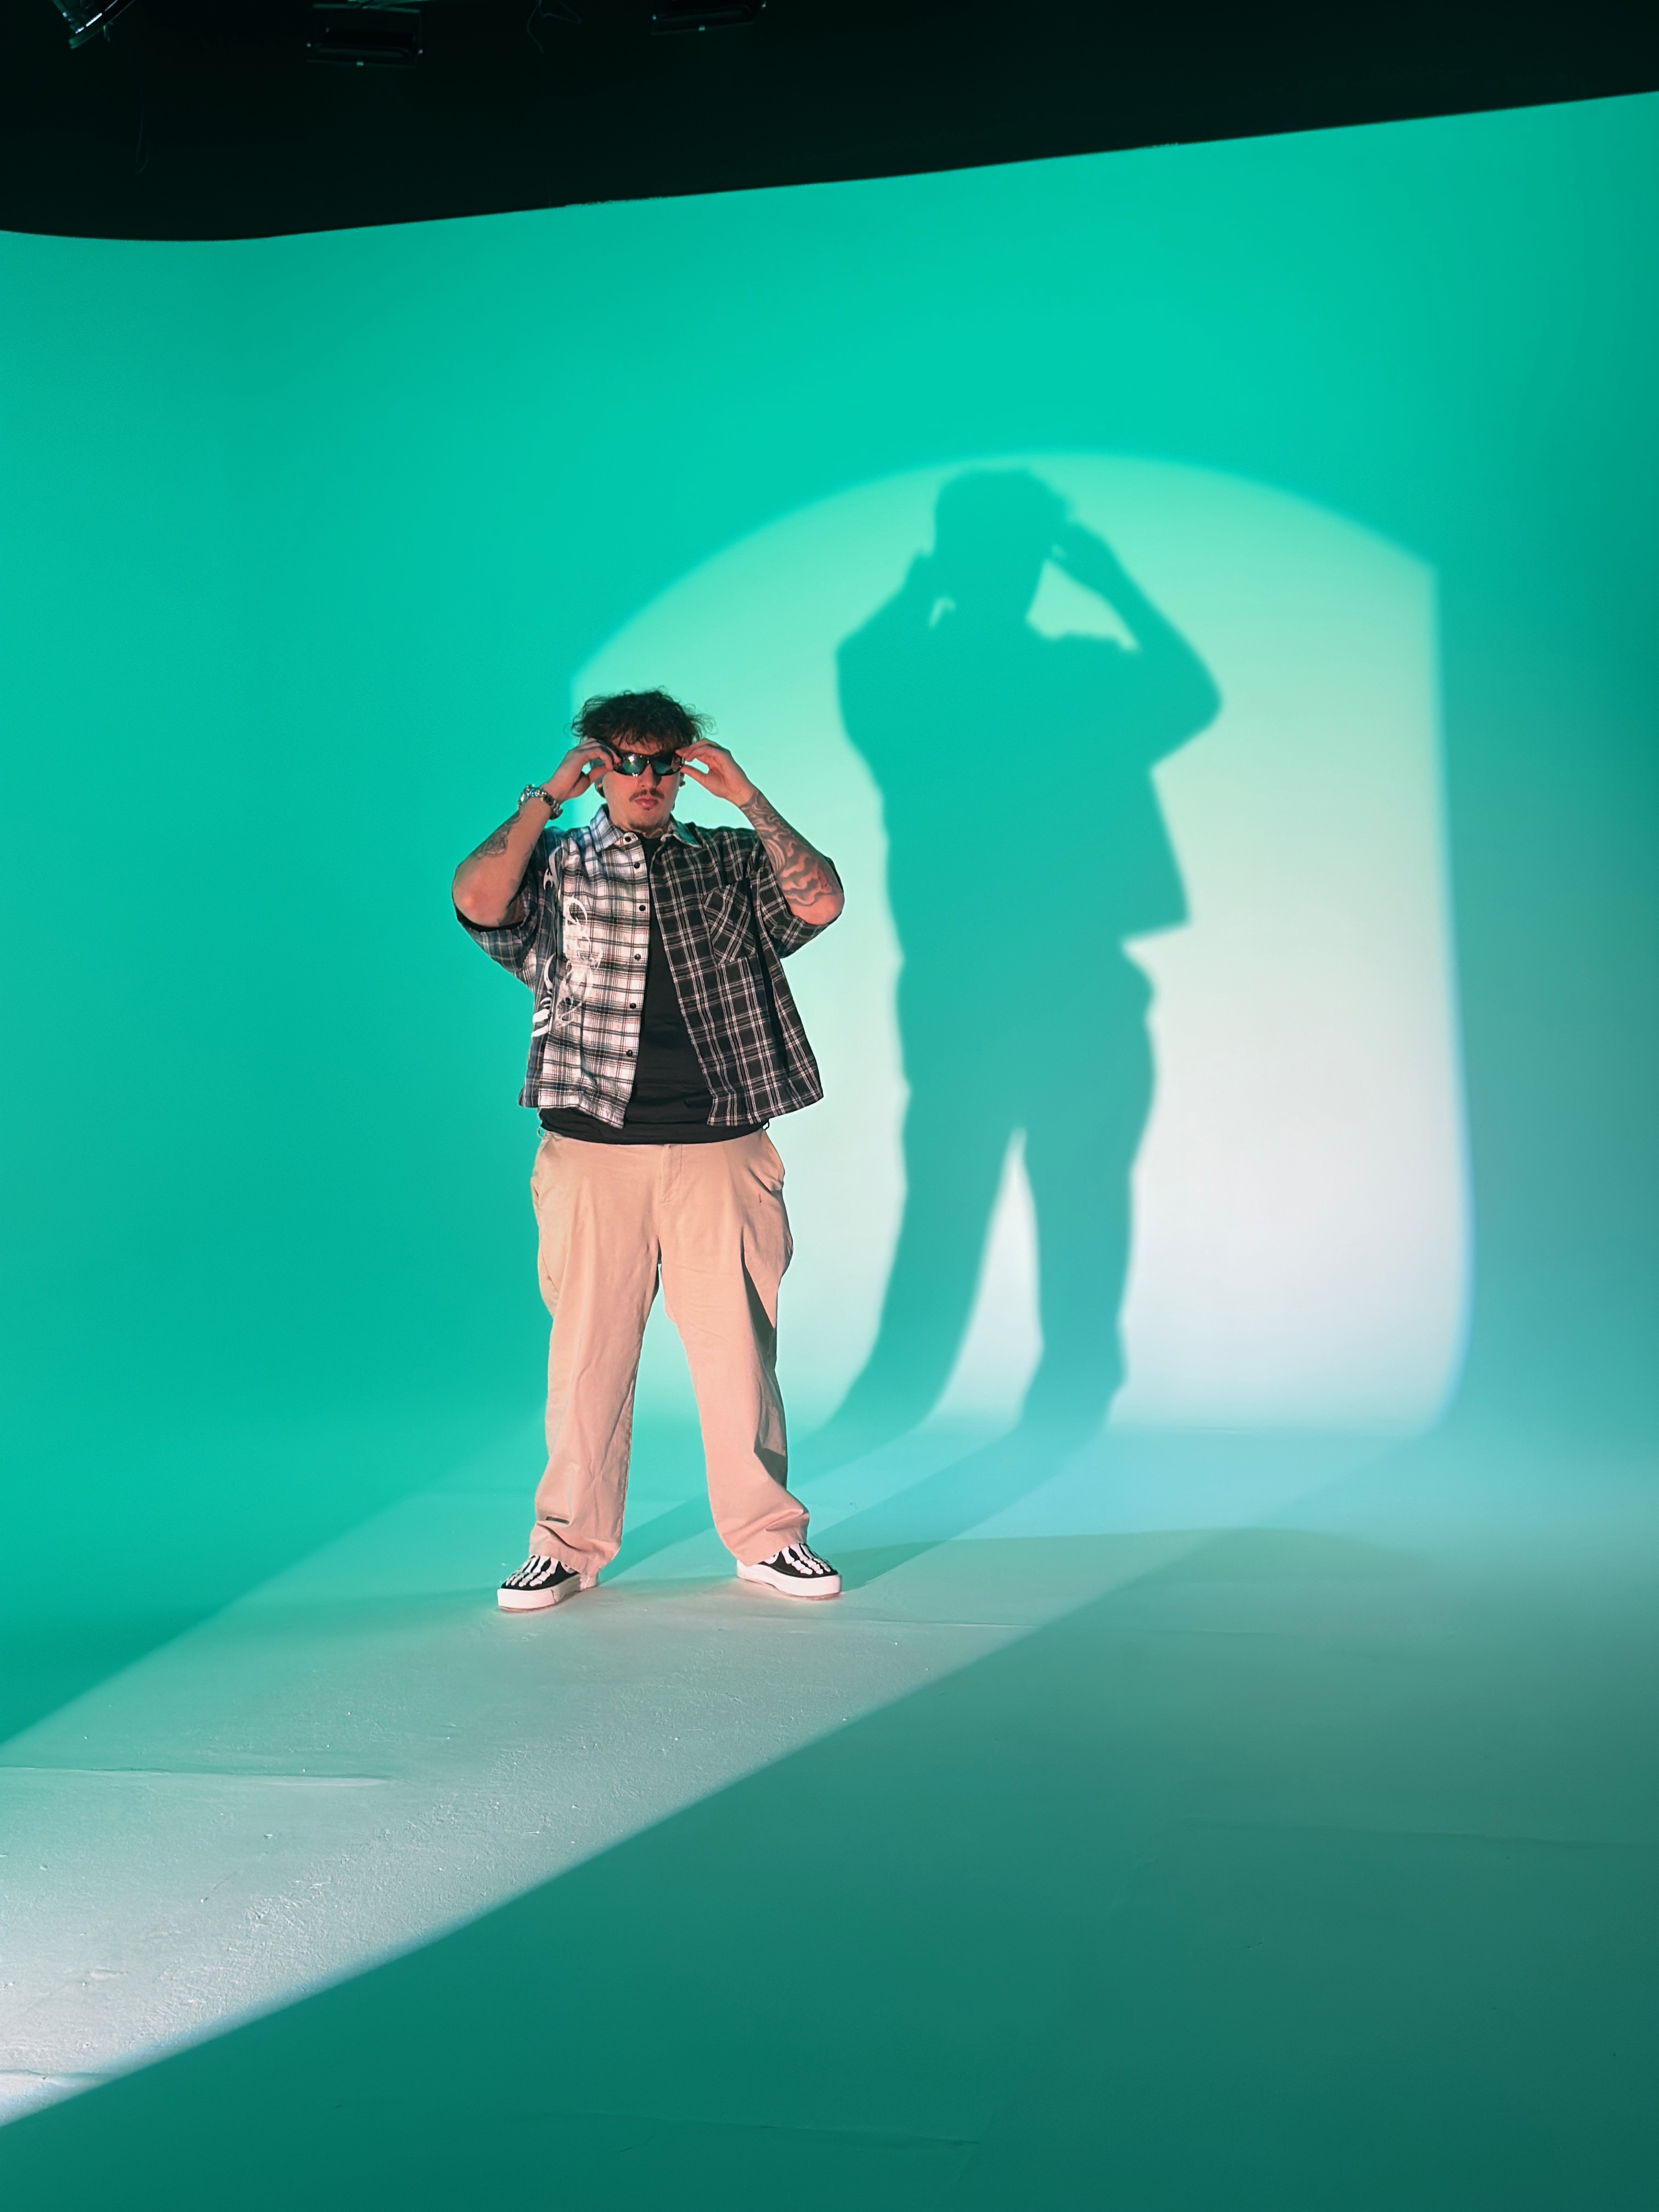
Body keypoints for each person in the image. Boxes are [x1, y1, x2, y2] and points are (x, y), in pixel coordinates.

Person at [806, 470, 1220, 1471]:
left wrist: (927, 583)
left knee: (987, 1192)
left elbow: (865, 659)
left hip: (999, 987)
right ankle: (1018, 1399)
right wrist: (1113, 584)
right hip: (1018, 987)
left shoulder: (933, 676)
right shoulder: (1060, 681)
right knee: (1040, 1191)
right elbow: (1188, 690)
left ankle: (944, 1395)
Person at [453, 689, 845, 1611]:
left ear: (683, 768)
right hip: (593, 1152)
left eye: (662, 762)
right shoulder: (553, 863)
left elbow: (821, 900)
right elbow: (474, 898)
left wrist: (747, 796)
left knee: (740, 1359)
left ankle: (766, 1538)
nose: (646, 778)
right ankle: (565, 1544)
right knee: (587, 1357)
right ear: (600, 766)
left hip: (722, 1145)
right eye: (625, 760)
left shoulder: (730, 860)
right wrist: (545, 799)